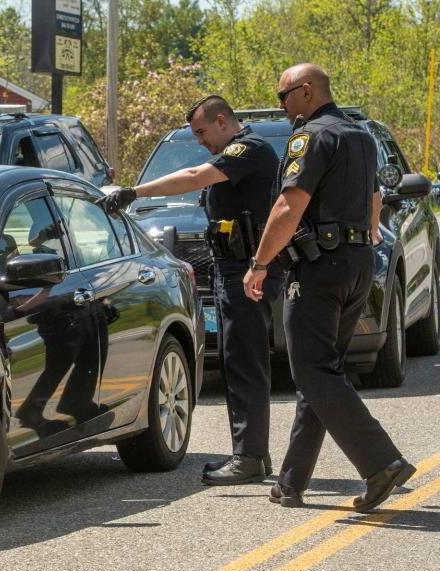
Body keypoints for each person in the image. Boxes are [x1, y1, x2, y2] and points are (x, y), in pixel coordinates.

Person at [242, 63, 414, 511]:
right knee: (321, 372)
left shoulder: (311, 137)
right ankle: (292, 481)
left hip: (319, 269)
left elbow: (288, 205)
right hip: (357, 264)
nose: (281, 107)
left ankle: (382, 463)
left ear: (306, 90)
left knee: (314, 372)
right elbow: (376, 199)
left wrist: (259, 264)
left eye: (282, 97)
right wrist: (367, 234)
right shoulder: (360, 135)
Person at [100, 95, 281, 485]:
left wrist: (134, 192)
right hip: (231, 267)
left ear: (221, 121)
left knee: (244, 362)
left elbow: (196, 177)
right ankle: (253, 454)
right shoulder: (239, 150)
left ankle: (248, 457)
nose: (199, 141)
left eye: (201, 132)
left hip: (247, 270)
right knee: (237, 361)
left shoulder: (248, 148)